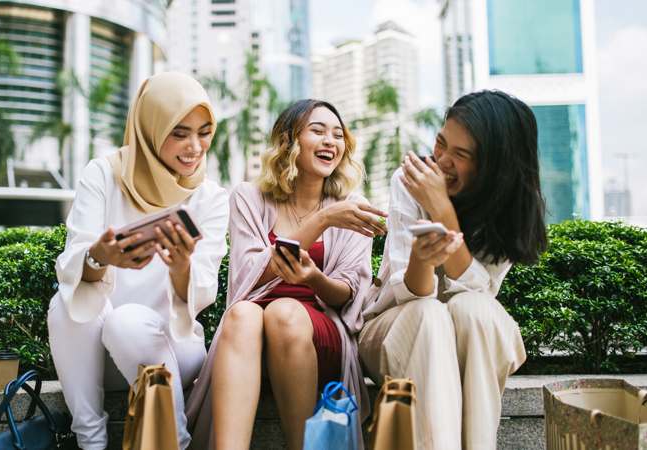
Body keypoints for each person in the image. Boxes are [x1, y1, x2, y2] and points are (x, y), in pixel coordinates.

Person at [186, 99, 387, 450]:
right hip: (249, 333)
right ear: (289, 140)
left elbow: (349, 294)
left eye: (338, 135)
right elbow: (251, 275)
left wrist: (314, 279)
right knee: (244, 313)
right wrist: (321, 220)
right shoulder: (248, 196)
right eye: (318, 131)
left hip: (318, 331)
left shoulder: (350, 203)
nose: (331, 142)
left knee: (285, 313)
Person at [47, 72, 229, 450]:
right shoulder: (105, 174)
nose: (195, 146)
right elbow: (74, 262)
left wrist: (181, 267)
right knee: (64, 305)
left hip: (174, 348)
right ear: (150, 127)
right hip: (97, 358)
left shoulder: (210, 197)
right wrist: (101, 257)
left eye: (204, 131)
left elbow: (204, 291)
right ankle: (90, 441)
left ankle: (173, 441)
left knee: (126, 321)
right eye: (179, 133)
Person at [358, 90, 548, 450]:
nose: (442, 160)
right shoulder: (410, 180)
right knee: (429, 314)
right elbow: (405, 290)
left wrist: (442, 210)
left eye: (460, 155)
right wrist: (422, 259)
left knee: (474, 310)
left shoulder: (513, 202)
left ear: (494, 165)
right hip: (395, 327)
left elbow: (481, 290)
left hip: (468, 335)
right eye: (441, 143)